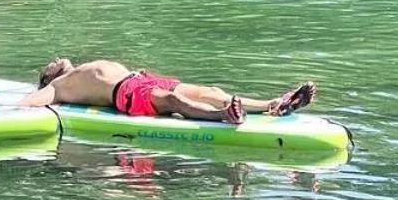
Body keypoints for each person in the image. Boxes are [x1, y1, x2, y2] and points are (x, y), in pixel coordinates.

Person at [17, 57, 317, 126]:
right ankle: (223, 116)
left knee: (209, 89)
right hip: (126, 94)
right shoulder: (58, 86)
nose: (57, 58)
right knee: (174, 101)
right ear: (49, 76)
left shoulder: (80, 66)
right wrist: (12, 108)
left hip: (144, 79)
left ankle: (273, 104)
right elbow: (31, 102)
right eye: (51, 63)